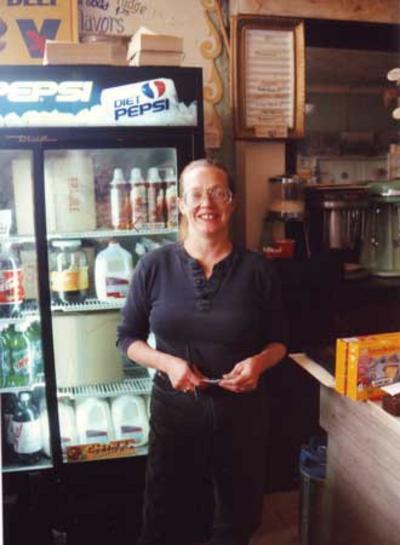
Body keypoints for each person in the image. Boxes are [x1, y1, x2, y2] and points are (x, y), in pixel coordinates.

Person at [117, 159, 287, 545]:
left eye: (217, 193)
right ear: (180, 203)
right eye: (196, 194)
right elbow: (128, 338)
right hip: (175, 415)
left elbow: (280, 341)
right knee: (165, 520)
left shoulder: (257, 270)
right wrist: (168, 363)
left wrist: (259, 363)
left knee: (235, 522)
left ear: (232, 203)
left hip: (242, 417)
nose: (206, 203)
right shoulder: (154, 266)